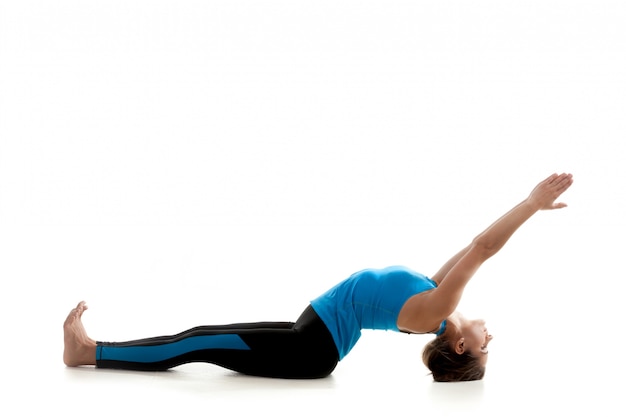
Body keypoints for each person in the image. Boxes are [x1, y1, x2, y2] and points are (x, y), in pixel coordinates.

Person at [63, 173, 574, 382]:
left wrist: (531, 204)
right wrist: (523, 203)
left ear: (462, 348)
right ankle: (92, 352)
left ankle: (89, 353)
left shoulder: (438, 311)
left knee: (198, 341)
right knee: (200, 338)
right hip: (307, 334)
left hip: (310, 349)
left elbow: (484, 250)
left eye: (488, 346)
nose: (492, 337)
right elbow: (472, 245)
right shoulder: (441, 307)